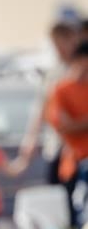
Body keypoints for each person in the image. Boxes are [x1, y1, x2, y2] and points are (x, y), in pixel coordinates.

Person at [21, 20, 79, 185]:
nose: (60, 49)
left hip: (79, 147)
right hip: (57, 145)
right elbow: (42, 108)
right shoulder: (53, 74)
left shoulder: (80, 71)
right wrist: (31, 138)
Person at [45, 40, 88, 229]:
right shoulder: (62, 89)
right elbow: (62, 126)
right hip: (76, 160)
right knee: (77, 213)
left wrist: (77, 122)